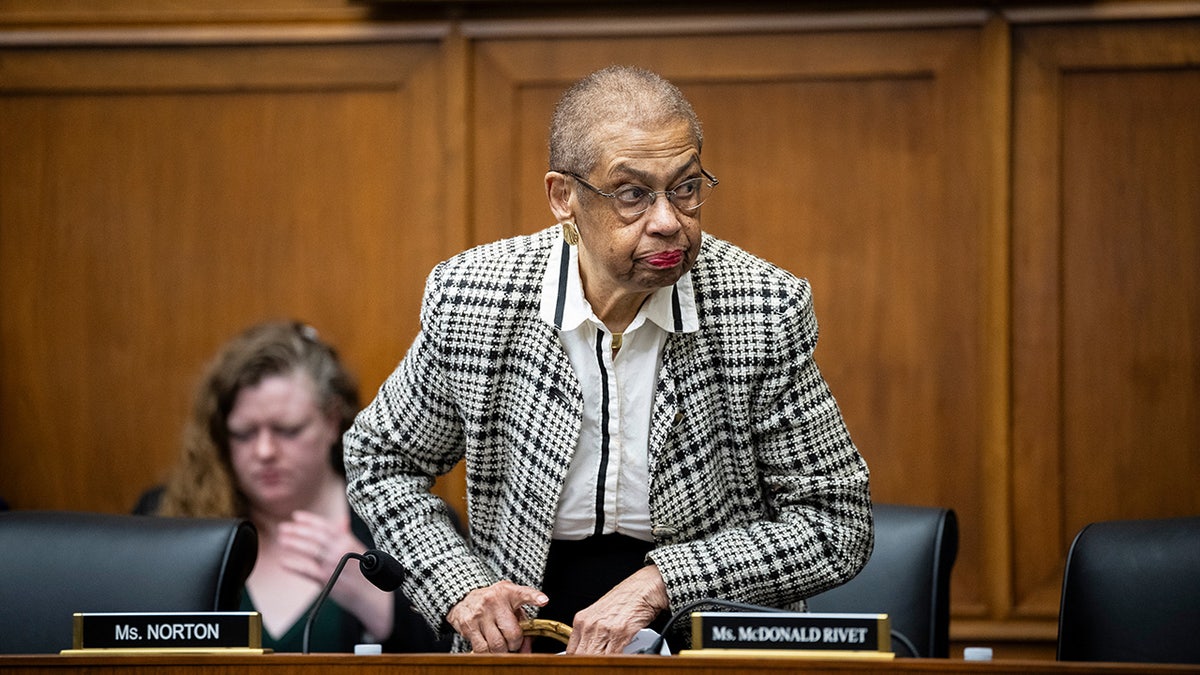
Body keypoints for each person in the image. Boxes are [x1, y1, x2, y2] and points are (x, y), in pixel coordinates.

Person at [344, 65, 873, 655]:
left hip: (703, 635)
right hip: (522, 639)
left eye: (687, 187)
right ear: (562, 197)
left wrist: (664, 581)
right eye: (632, 195)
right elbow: (380, 460)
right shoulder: (478, 298)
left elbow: (835, 522)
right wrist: (460, 586)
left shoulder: (759, 308)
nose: (669, 221)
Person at [138, 321, 442, 653]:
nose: (264, 452)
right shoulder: (169, 521)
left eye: (288, 430)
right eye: (243, 433)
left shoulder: (408, 518)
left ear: (331, 421)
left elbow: (465, 654)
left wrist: (380, 606)